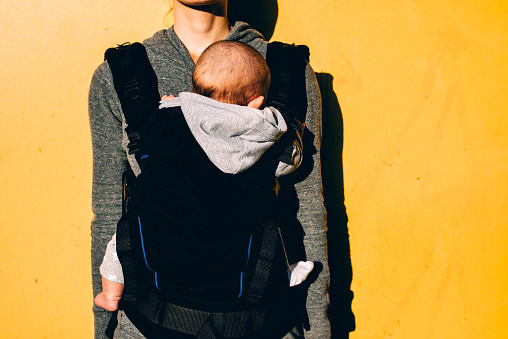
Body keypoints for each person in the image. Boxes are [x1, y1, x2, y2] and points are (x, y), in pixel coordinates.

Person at [89, 1, 329, 338]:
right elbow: (111, 209)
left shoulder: (286, 71)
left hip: (264, 324)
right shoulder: (120, 75)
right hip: (150, 324)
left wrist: (319, 330)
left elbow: (307, 213)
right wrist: (105, 330)